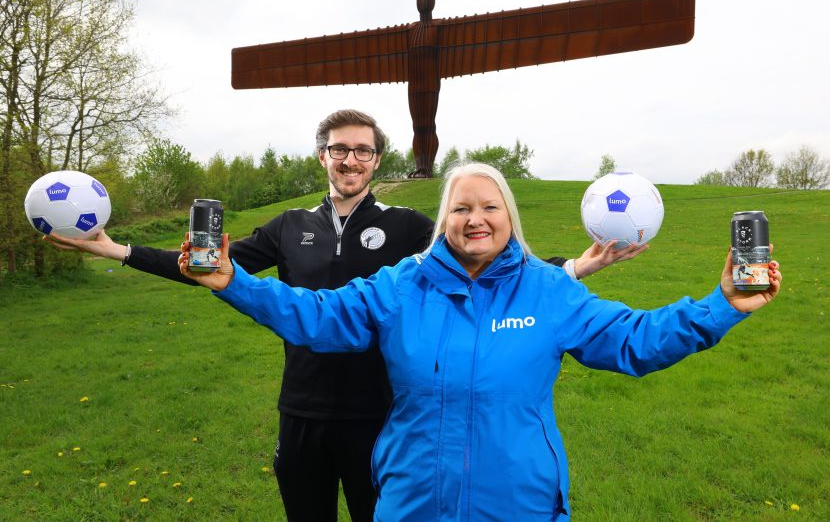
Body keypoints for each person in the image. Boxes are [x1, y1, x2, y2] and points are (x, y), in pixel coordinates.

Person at [45, 111, 643, 521]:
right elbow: (213, 270)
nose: (350, 159)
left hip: (379, 412)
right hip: (302, 407)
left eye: (362, 149)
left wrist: (571, 271)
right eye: (339, 149)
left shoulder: (410, 226)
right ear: (323, 156)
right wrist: (118, 251)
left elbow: (480, 256)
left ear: (376, 159)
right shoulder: (287, 225)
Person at [178, 162, 781, 521]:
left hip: (517, 502)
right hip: (413, 501)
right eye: (461, 208)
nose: (476, 219)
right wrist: (234, 281)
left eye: (490, 207)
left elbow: (636, 341)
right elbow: (316, 315)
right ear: (444, 219)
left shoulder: (549, 291)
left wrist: (722, 305)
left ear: (510, 216)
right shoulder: (400, 285)